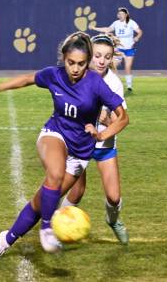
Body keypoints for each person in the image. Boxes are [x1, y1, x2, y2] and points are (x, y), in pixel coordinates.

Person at [0, 31, 129, 261]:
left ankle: (5, 240)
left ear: (87, 61)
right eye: (71, 63)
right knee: (55, 172)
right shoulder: (53, 75)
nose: (76, 68)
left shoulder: (97, 84)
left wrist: (102, 135)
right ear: (63, 59)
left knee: (40, 203)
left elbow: (123, 117)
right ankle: (48, 229)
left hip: (81, 152)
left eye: (81, 63)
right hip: (54, 133)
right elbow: (27, 79)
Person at [61, 34, 129, 244]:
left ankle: (113, 220)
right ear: (89, 55)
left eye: (107, 57)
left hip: (103, 144)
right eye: (97, 55)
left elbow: (121, 121)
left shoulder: (114, 83)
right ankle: (57, 229)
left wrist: (105, 120)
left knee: (114, 197)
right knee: (76, 191)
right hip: (77, 143)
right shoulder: (76, 73)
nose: (101, 61)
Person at [91, 7, 143, 92]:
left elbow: (140, 31)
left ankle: (129, 86)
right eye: (119, 14)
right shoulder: (116, 23)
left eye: (122, 14)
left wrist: (137, 37)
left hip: (129, 49)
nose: (120, 15)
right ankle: (111, 84)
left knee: (128, 67)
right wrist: (94, 28)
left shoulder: (131, 23)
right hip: (119, 49)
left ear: (126, 15)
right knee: (113, 66)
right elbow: (107, 29)